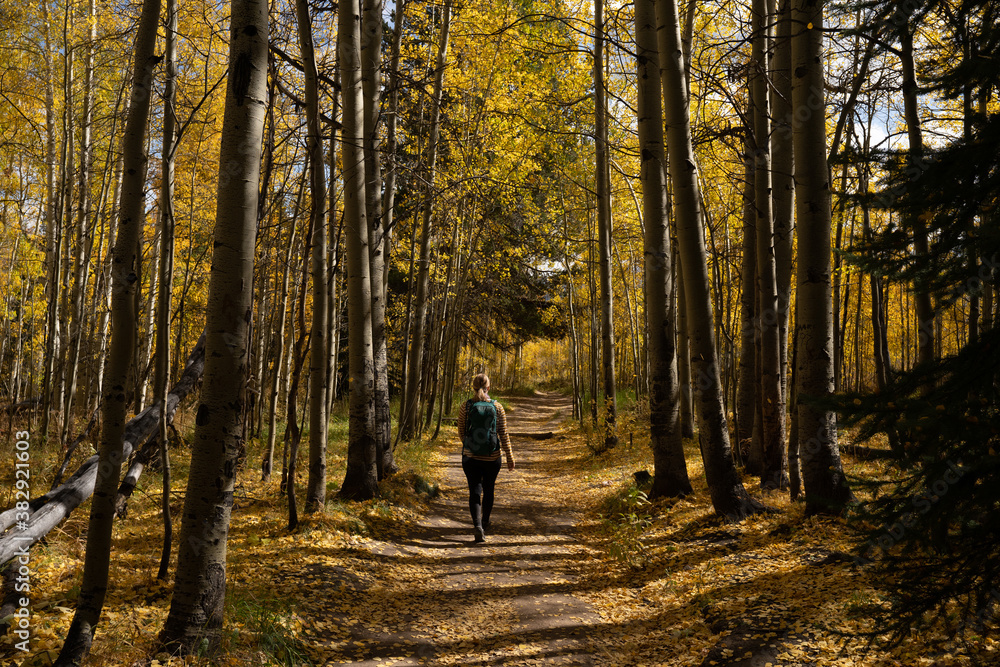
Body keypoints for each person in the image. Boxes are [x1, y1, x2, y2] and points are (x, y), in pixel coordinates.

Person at [457, 373, 515, 543]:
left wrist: (471, 445)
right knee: (489, 489)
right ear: (488, 388)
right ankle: (485, 521)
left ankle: (477, 526)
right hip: (492, 457)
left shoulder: (466, 406)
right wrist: (510, 457)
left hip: (470, 457)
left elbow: (461, 431)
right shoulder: (497, 407)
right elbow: (503, 434)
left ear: (473, 387)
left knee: (474, 491)